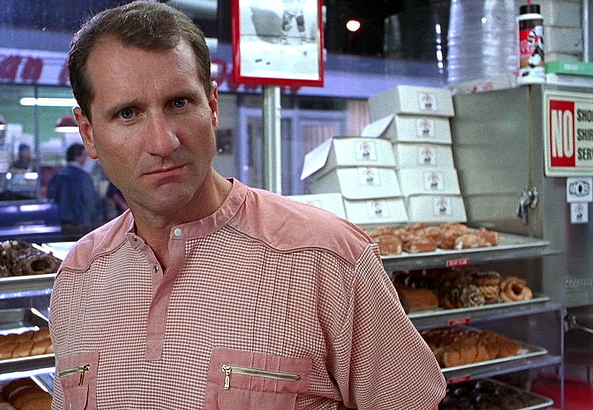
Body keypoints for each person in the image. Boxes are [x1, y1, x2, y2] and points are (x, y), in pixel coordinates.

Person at [49, 1, 446, 409]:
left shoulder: (327, 260)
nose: (163, 142)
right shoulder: (78, 278)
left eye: (179, 103)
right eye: (127, 113)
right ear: (89, 134)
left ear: (212, 106)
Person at [47, 143, 100, 235]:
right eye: (84, 155)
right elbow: (89, 200)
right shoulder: (83, 176)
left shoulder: (58, 175)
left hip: (62, 223)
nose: (86, 158)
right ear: (77, 157)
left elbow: (51, 196)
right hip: (81, 222)